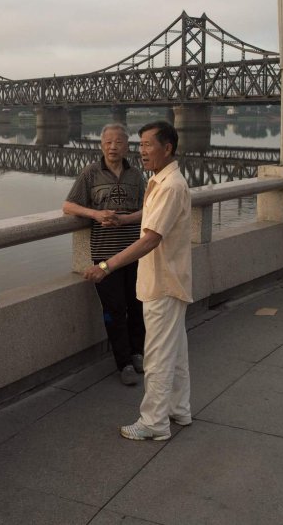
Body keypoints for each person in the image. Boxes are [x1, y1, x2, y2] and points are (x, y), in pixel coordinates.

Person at [83, 120, 192, 441]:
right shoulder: (162, 180)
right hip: (170, 279)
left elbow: (150, 239)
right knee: (177, 354)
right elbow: (150, 219)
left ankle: (154, 423)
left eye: (147, 145)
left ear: (167, 148)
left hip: (163, 282)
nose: (141, 150)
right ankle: (179, 409)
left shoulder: (170, 186)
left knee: (157, 356)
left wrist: (106, 265)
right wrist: (123, 218)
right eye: (141, 144)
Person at [63, 123, 146, 385]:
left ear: (127, 146)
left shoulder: (137, 175)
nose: (113, 147)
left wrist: (126, 218)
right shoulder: (90, 173)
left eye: (118, 142)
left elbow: (149, 210)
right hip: (105, 255)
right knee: (114, 309)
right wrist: (96, 214)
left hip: (134, 252)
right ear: (101, 145)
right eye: (108, 142)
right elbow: (68, 206)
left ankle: (138, 353)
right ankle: (123, 363)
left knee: (137, 306)